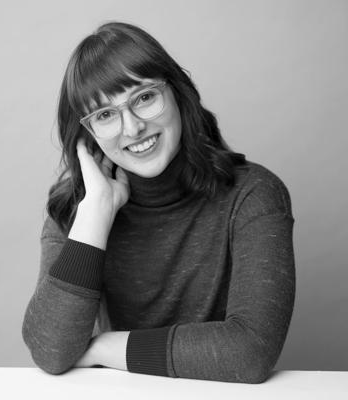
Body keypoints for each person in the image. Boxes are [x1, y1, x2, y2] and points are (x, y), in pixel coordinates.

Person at [22, 21, 295, 384]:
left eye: (144, 98)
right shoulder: (77, 211)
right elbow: (50, 350)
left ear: (177, 93)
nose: (132, 128)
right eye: (105, 115)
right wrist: (95, 213)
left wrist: (102, 348)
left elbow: (250, 354)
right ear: (88, 136)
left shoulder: (253, 194)